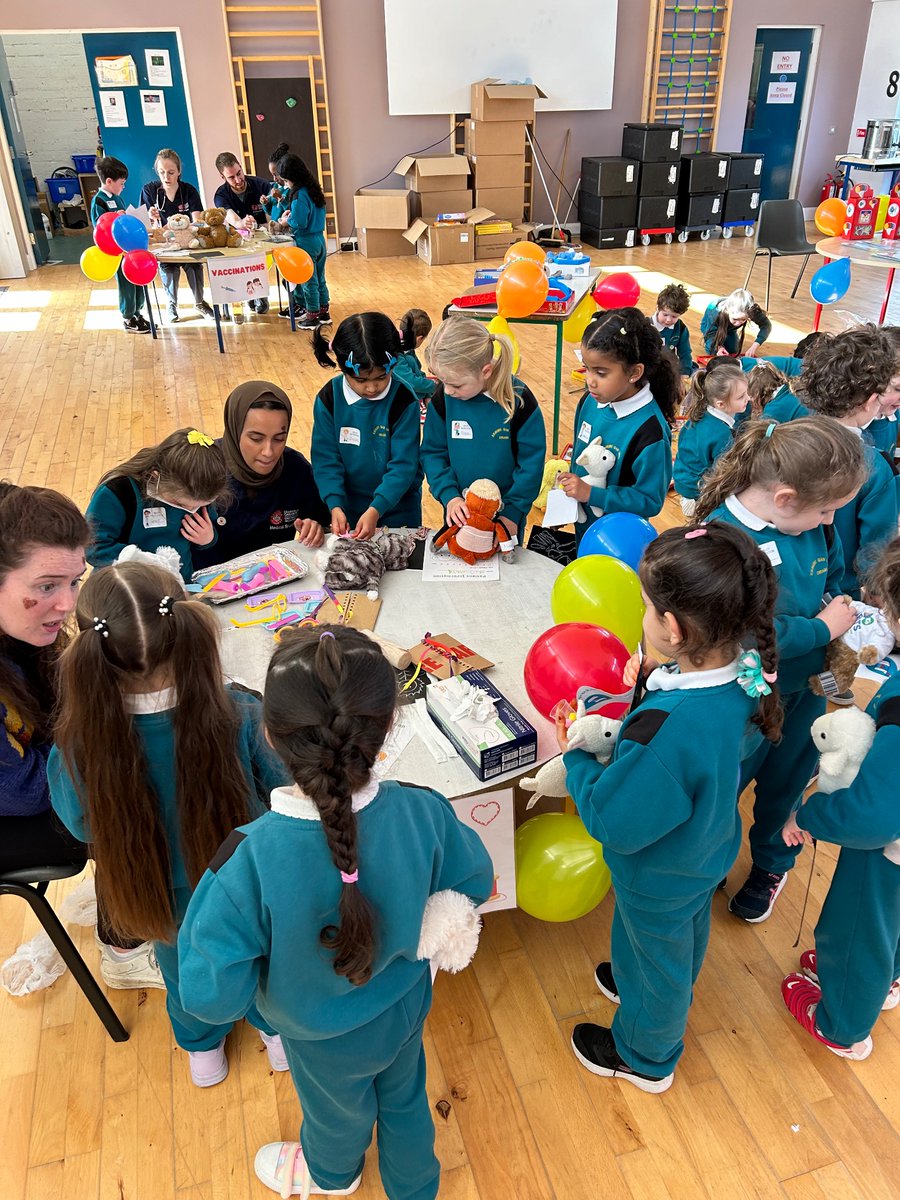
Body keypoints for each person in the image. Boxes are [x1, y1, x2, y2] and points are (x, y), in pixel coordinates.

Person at [177, 625, 493, 1197]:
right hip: (404, 1006)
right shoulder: (424, 809)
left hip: (319, 1036)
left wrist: (262, 1001)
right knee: (405, 1097)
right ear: (390, 725)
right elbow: (474, 879)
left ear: (269, 736)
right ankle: (416, 1185)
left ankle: (330, 1176)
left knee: (334, 1117)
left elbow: (208, 993)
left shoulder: (244, 862)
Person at [48, 562, 290, 1087]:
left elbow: (80, 824)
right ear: (186, 629)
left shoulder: (78, 742)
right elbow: (281, 789)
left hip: (156, 887)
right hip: (248, 879)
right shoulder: (240, 711)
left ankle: (203, 1053)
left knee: (183, 968)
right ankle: (276, 1039)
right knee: (262, 958)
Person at [563, 522, 782, 1092]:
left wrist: (579, 757)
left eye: (645, 606)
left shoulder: (670, 728)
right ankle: (650, 982)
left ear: (676, 628)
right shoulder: (746, 672)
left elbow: (613, 820)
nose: (641, 615)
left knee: (657, 952)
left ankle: (644, 1053)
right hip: (704, 849)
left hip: (659, 870)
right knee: (678, 937)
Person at [696, 417, 866, 922]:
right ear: (787, 497)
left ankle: (772, 861)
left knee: (787, 784)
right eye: (825, 510)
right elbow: (747, 633)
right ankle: (708, 865)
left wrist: (837, 613)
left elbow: (834, 578)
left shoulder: (812, 524)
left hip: (806, 688)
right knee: (726, 787)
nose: (830, 521)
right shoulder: (722, 540)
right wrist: (823, 630)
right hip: (744, 697)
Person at [0, 482, 160, 989]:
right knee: (130, 798)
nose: (68, 604)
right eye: (47, 586)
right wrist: (97, 737)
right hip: (15, 807)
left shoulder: (20, 631)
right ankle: (124, 948)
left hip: (30, 771)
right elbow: (27, 793)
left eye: (76, 581)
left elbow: (52, 703)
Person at [781, 535, 900, 1061]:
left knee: (860, 925)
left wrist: (812, 813)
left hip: (888, 854)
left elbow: (874, 817)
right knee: (891, 926)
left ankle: (842, 1023)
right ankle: (887, 978)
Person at [422, 315, 546, 543]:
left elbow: (531, 465)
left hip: (505, 519)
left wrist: (513, 513)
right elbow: (432, 453)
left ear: (486, 371)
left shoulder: (519, 400)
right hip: (458, 513)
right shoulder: (443, 399)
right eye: (441, 381)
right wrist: (450, 497)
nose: (447, 390)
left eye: (456, 384)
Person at [797, 325, 898, 602]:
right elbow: (878, 547)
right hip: (842, 593)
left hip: (791, 584)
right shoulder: (874, 467)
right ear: (868, 400)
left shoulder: (790, 437)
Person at [557, 308, 677, 541]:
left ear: (634, 373)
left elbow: (650, 501)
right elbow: (578, 461)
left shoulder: (650, 431)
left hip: (619, 541)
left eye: (601, 373)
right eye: (587, 368)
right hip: (584, 530)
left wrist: (592, 494)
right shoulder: (589, 402)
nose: (589, 380)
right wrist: (568, 503)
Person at [192, 381, 329, 568]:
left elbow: (319, 520)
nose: (268, 452)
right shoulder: (203, 469)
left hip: (277, 579)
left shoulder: (297, 470)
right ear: (235, 429)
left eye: (279, 439)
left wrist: (314, 527)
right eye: (256, 439)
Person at [311, 312, 422, 538]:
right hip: (346, 511)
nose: (371, 388)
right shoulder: (329, 398)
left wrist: (376, 509)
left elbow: (404, 465)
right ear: (343, 369)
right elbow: (325, 459)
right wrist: (335, 504)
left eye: (381, 377)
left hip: (399, 511)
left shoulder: (403, 400)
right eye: (360, 380)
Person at [85, 428, 228, 582]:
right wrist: (142, 561)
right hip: (127, 588)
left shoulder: (201, 492)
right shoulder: (118, 493)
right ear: (156, 478)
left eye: (201, 505)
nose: (192, 510)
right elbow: (93, 549)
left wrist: (208, 539)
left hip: (179, 586)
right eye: (180, 504)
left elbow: (204, 538)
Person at [140, 148, 214, 324]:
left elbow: (198, 221)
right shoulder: (150, 190)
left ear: (179, 171)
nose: (166, 177)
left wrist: (179, 227)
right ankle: (172, 304)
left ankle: (199, 302)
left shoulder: (188, 190)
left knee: (194, 266)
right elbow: (146, 226)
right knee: (169, 269)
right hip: (165, 243)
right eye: (162, 172)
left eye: (171, 172)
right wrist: (151, 218)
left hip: (187, 242)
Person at [673, 363, 748, 516]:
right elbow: (722, 473)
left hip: (683, 480)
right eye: (741, 397)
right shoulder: (721, 433)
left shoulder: (699, 414)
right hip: (696, 493)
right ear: (721, 404)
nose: (749, 398)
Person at [90, 156, 149, 335]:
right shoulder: (99, 201)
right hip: (117, 253)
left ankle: (138, 313)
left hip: (130, 250)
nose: (123, 187)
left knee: (138, 282)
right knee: (126, 286)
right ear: (109, 181)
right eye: (121, 183)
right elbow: (100, 228)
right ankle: (128, 316)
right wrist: (116, 217)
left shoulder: (118, 199)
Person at [276, 151, 329, 329]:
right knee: (320, 277)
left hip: (306, 242)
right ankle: (324, 311)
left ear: (292, 178)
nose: (285, 184)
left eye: (285, 180)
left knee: (309, 280)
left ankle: (312, 315)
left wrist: (285, 220)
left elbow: (299, 221)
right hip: (320, 240)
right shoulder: (313, 189)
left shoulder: (299, 195)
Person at [701, 288, 772, 357]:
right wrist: (719, 348)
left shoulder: (751, 311)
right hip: (709, 326)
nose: (738, 323)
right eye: (735, 319)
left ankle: (726, 335)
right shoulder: (715, 312)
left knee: (733, 350)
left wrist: (755, 345)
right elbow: (710, 334)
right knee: (713, 351)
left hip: (730, 329)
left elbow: (766, 325)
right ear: (728, 311)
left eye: (743, 319)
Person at [214, 151, 272, 231]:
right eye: (231, 177)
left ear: (241, 168)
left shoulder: (263, 185)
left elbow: (273, 223)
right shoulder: (221, 196)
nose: (238, 180)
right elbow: (236, 222)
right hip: (240, 239)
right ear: (223, 177)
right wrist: (243, 223)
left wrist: (257, 226)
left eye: (239, 173)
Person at [394, 308, 437, 411]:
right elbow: (412, 382)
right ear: (419, 338)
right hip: (403, 401)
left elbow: (419, 373)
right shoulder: (398, 356)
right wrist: (434, 386)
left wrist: (428, 394)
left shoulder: (408, 349)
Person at [650, 282, 693, 378]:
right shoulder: (646, 326)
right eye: (665, 314)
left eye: (674, 316)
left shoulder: (680, 328)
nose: (669, 320)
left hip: (670, 368)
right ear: (658, 308)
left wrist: (684, 374)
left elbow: (685, 354)